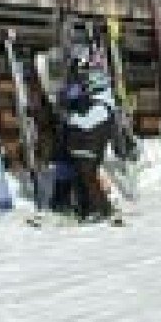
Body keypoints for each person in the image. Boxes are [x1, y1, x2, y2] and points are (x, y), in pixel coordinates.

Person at [57, 60, 119, 222]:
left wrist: (74, 109)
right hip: (81, 138)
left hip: (91, 137)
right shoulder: (81, 88)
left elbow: (86, 118)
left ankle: (98, 208)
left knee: (87, 171)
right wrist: (70, 103)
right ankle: (85, 206)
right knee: (79, 171)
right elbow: (70, 103)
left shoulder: (101, 99)